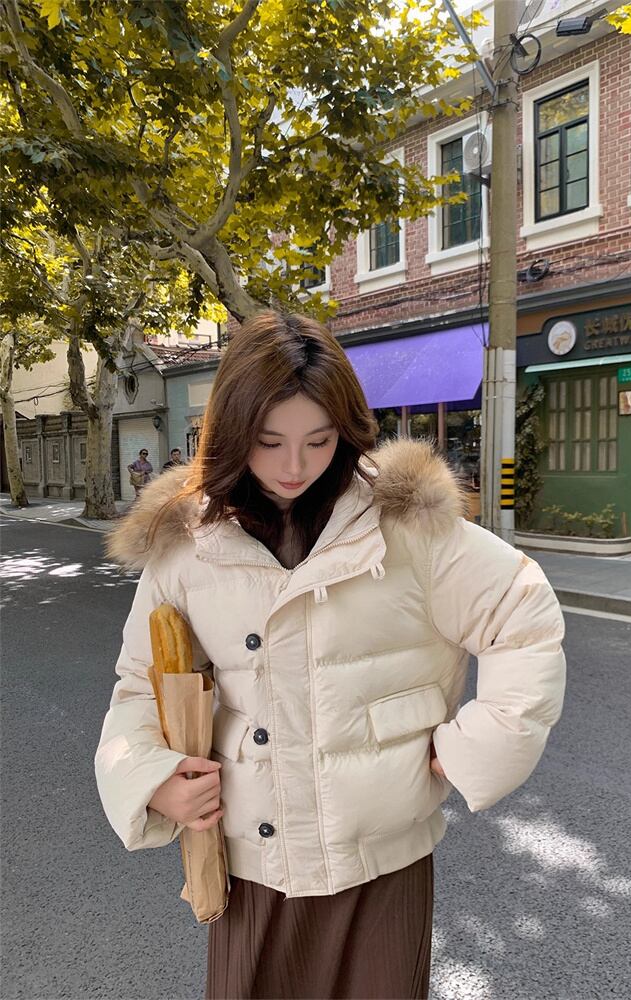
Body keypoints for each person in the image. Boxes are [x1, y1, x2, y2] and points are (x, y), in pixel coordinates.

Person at [96, 312, 566, 1000]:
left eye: (318, 441)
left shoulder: (407, 526)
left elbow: (521, 609)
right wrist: (152, 778)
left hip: (383, 865)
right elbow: (139, 684)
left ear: (345, 431)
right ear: (231, 434)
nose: (294, 466)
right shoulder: (185, 547)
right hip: (253, 865)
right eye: (268, 442)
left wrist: (477, 745)